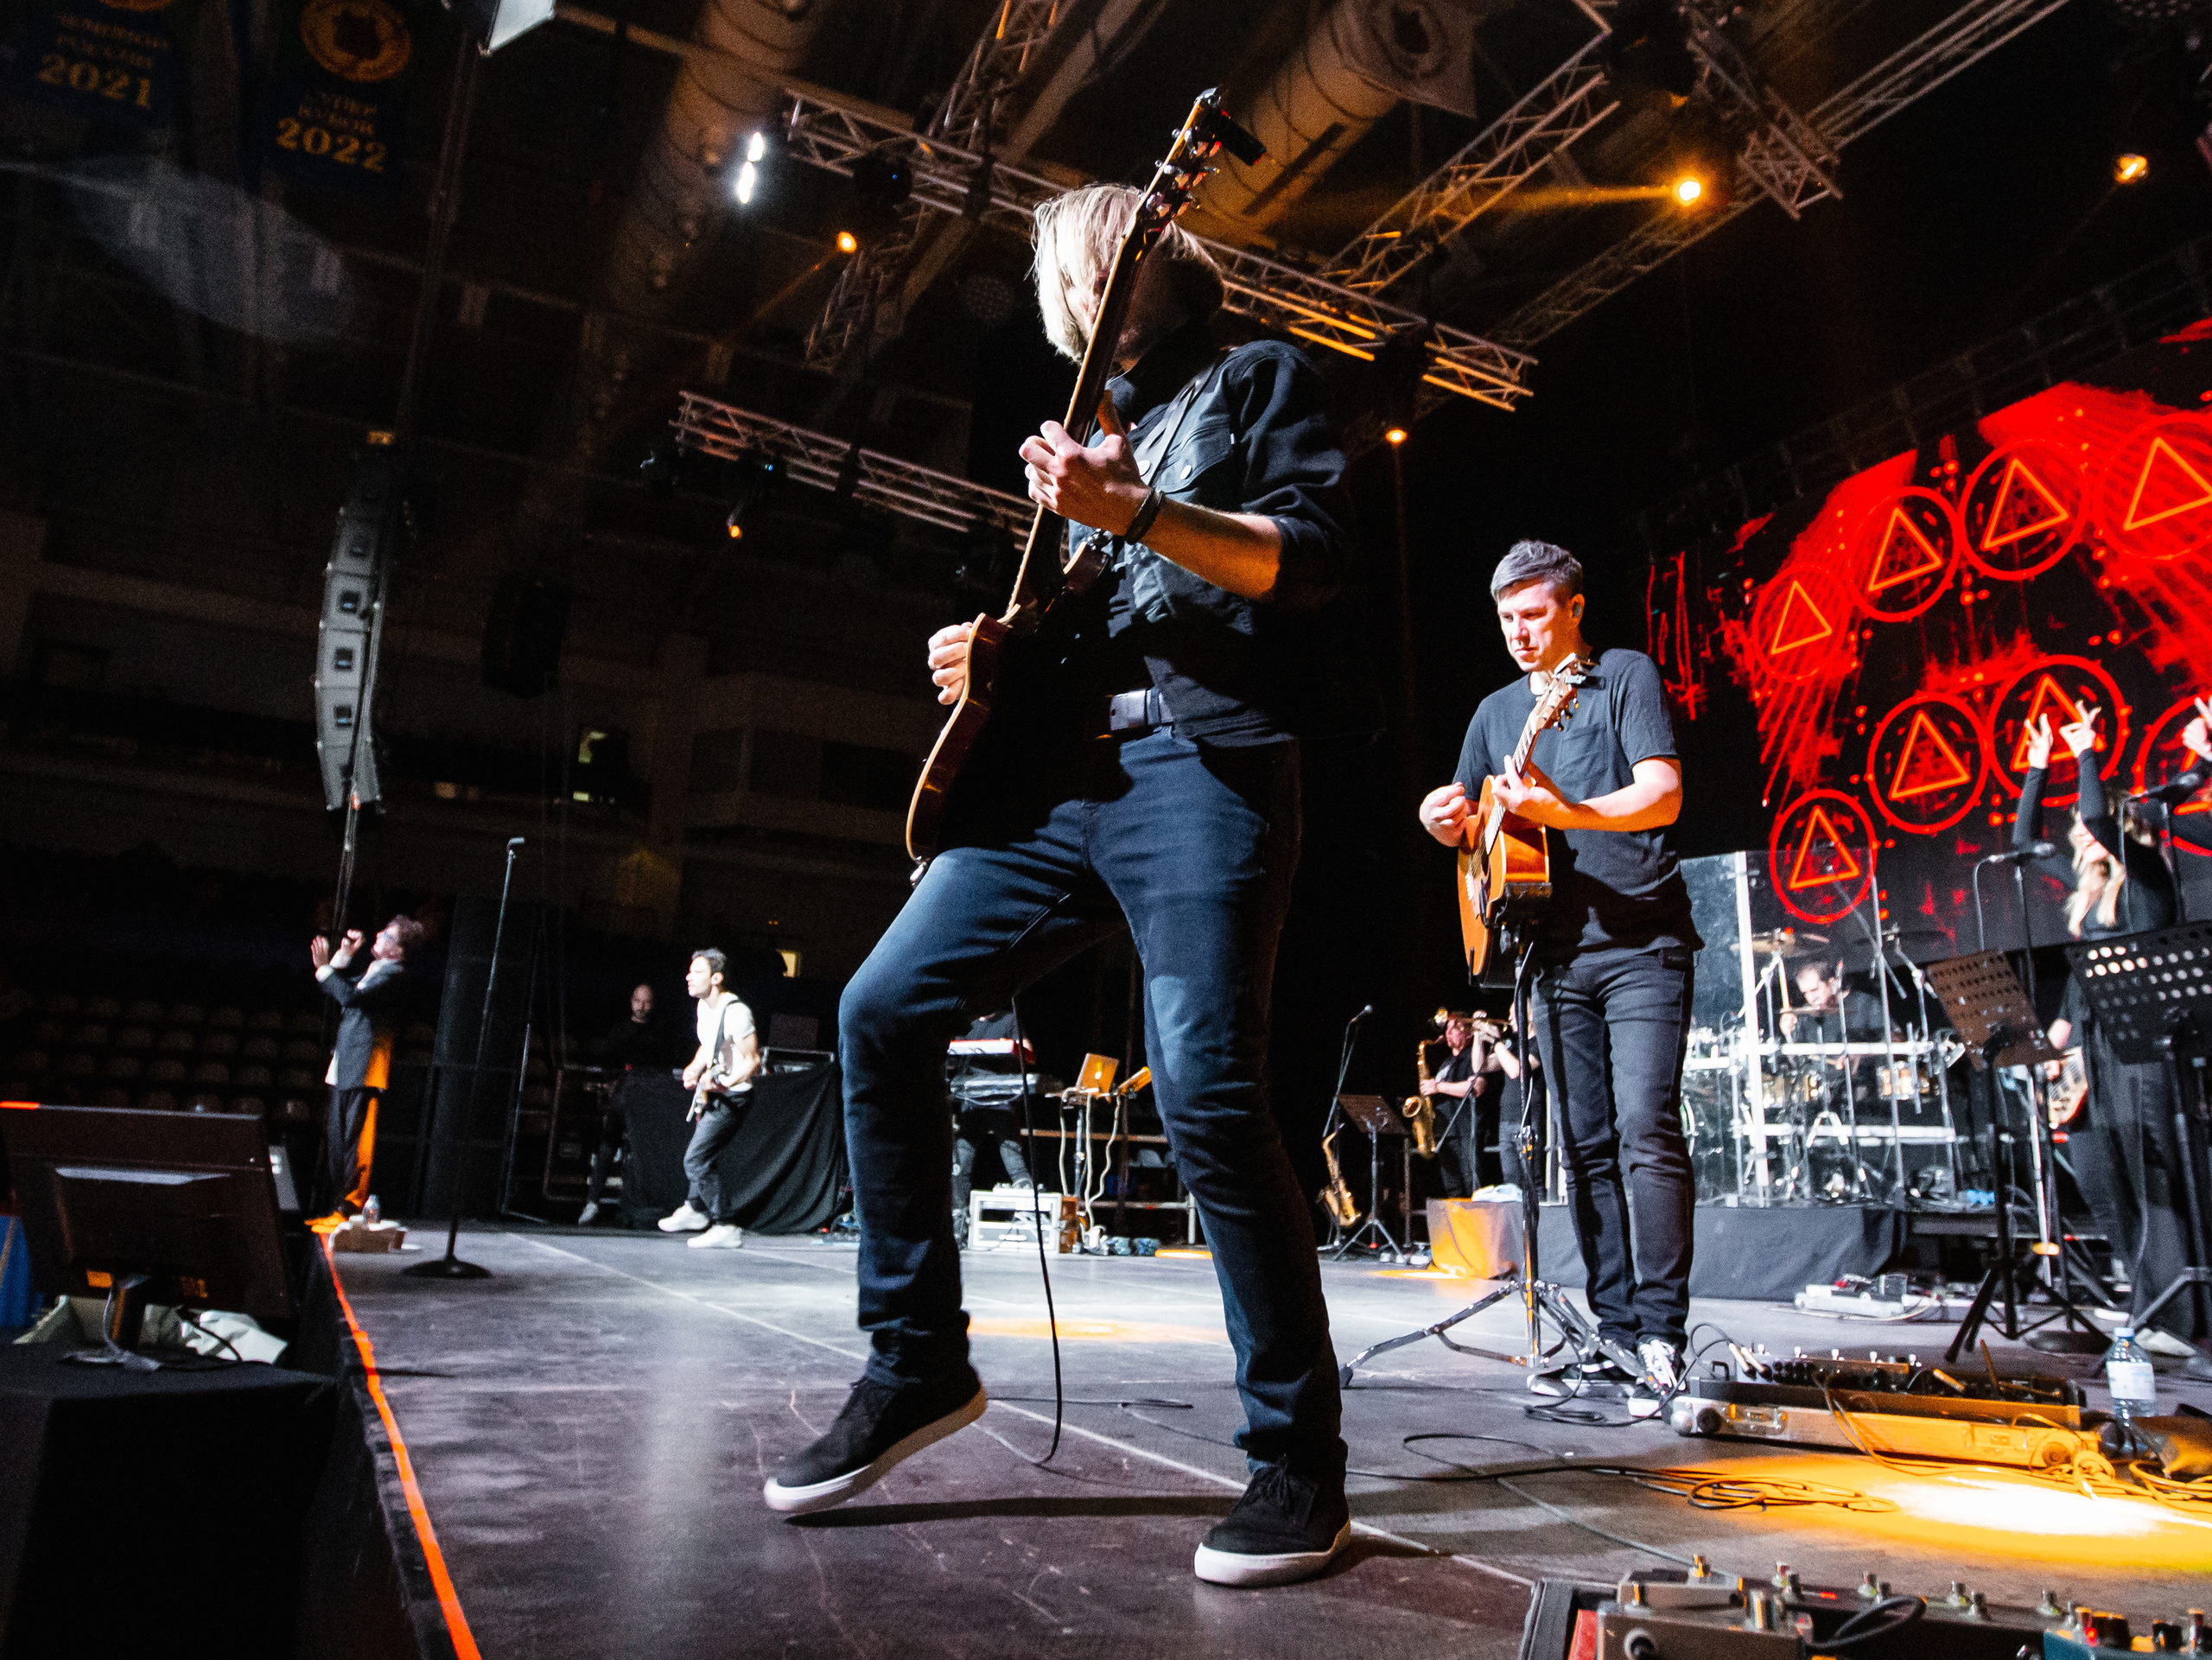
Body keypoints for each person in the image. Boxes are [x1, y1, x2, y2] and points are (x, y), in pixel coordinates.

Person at [763, 182, 1358, 1588]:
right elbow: (1080, 634)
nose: (1084, 291)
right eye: (1068, 279)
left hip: (1199, 771)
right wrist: (994, 654)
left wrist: (1139, 510)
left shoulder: (1253, 382)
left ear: (1162, 265)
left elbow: (1310, 565)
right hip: (1056, 789)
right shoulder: (1095, 444)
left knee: (1208, 1090)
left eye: (1103, 263)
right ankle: (917, 1361)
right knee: (880, 1010)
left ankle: (1298, 1459)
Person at [1418, 540, 1696, 1416]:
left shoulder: (1623, 677)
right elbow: (1469, 821)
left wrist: (1563, 810)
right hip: (1550, 952)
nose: (1518, 632)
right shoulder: (1496, 711)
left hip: (1642, 941)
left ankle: (1662, 1334)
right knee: (1582, 1146)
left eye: (1534, 615)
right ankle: (1615, 1331)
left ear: (1574, 609)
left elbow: (1661, 793)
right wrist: (1437, 818)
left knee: (1645, 1127)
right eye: (1506, 618)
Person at [2018, 706, 2202, 1343]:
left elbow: (2099, 817)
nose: (2082, 833)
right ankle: (2145, 1301)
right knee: (2098, 1172)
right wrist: (2038, 768)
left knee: (2151, 1175)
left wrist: (2086, 752)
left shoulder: (2147, 877)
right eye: (2078, 827)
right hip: (2093, 1050)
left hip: (2143, 1045)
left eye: (2091, 825)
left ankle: (2178, 1316)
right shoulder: (2088, 891)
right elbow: (2024, 845)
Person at [308, 916, 423, 1223]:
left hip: (365, 1066)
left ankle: (350, 1208)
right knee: (337, 1141)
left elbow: (350, 996)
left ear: (398, 951)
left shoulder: (395, 975)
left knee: (355, 1143)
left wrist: (325, 968)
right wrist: (342, 957)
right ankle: (338, 1208)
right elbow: (336, 989)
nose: (379, 935)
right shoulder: (376, 969)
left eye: (387, 936)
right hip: (347, 1063)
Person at [656, 950, 761, 1250]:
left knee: (696, 1159)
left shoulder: (737, 1012)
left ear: (716, 978)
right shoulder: (704, 1007)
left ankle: (726, 1224)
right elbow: (708, 1044)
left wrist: (724, 1084)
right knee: (703, 1156)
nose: (689, 977)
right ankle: (694, 1209)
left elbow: (752, 1061)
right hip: (715, 1093)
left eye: (697, 972)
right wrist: (694, 1068)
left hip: (734, 1097)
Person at [578, 983, 669, 1227]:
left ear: (652, 1005)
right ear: (631, 1002)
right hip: (622, 1097)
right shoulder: (620, 1031)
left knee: (640, 1152)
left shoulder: (658, 1033)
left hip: (647, 1100)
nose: (642, 1006)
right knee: (608, 1146)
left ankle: (634, 1207)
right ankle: (592, 1201)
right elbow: (609, 1063)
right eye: (638, 1001)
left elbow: (663, 1066)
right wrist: (612, 1083)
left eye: (646, 1002)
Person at [947, 1011, 1033, 1248]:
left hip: (1001, 1097)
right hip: (970, 1098)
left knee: (1012, 1156)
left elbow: (1028, 1053)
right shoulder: (968, 1022)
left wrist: (1011, 1047)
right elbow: (952, 1056)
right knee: (960, 1163)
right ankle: (957, 1225)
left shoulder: (1009, 1020)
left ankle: (1029, 1215)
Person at [1421, 1013, 1489, 1197]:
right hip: (1446, 1131)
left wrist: (1438, 1087)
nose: (1448, 1033)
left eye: (1455, 1029)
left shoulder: (1473, 1057)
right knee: (1452, 1189)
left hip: (1466, 1129)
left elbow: (1476, 1088)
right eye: (1447, 1029)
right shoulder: (1446, 1063)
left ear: (1469, 1033)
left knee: (1473, 1186)